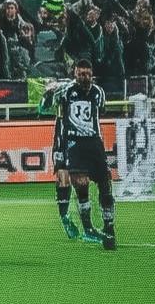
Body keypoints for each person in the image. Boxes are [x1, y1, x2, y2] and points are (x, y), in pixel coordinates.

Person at [42, 60, 117, 249]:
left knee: (105, 184)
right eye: (81, 74)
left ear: (92, 74)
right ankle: (81, 224)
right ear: (75, 74)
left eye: (87, 74)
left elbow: (101, 110)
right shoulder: (65, 91)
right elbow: (43, 107)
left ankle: (109, 227)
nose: (84, 77)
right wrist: (48, 93)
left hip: (94, 142)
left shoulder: (98, 92)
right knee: (77, 182)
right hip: (72, 142)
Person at [38, 80, 79, 240]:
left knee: (81, 179)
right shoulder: (60, 91)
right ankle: (64, 217)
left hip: (80, 139)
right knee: (64, 178)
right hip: (62, 141)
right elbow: (42, 108)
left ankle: (87, 223)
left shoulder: (81, 90)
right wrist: (48, 93)